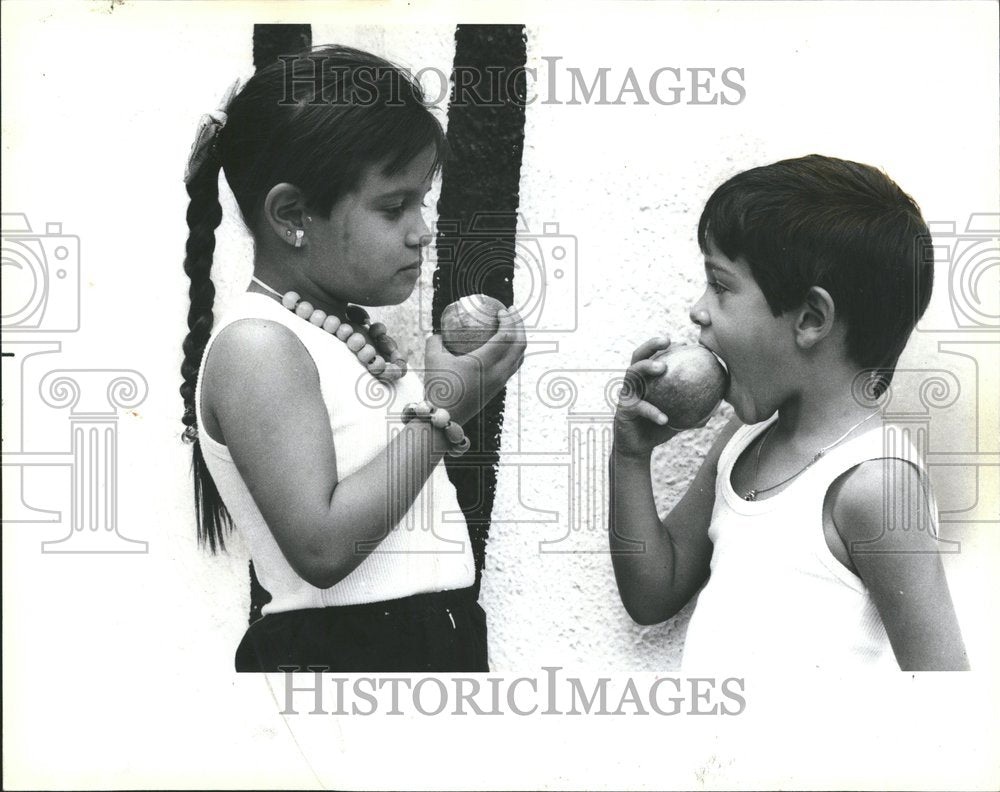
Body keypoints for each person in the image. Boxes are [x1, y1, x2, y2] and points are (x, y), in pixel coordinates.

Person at [179, 46, 525, 672]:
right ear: (291, 215)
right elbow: (321, 545)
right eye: (394, 207)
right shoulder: (259, 346)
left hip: (411, 645)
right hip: (344, 660)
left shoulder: (338, 333)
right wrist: (445, 408)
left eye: (423, 201)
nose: (421, 230)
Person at [609, 155, 969, 671]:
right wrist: (629, 455)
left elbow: (945, 688)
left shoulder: (875, 486)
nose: (698, 309)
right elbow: (653, 593)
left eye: (721, 285)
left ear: (810, 318)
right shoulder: (744, 441)